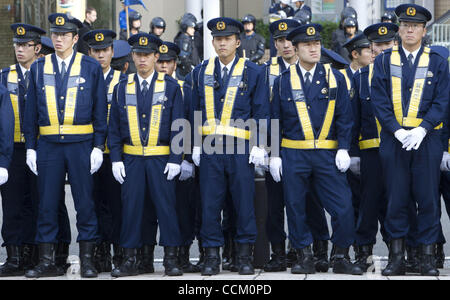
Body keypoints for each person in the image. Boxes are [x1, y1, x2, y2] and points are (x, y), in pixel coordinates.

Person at [269, 23, 363, 275]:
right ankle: (304, 255)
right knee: (296, 207)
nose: (313, 48)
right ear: (296, 49)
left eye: (316, 44)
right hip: (293, 153)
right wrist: (274, 155)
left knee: (343, 206)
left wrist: (344, 148)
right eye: (307, 45)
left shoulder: (334, 78)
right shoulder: (282, 82)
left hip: (327, 154)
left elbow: (345, 117)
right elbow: (274, 119)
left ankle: (341, 255)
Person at [23, 13, 107, 278]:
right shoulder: (39, 67)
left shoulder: (90, 67)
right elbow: (30, 113)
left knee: (85, 204)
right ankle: (47, 261)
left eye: (64, 35)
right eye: (55, 34)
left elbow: (99, 110)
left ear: (74, 38)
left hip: (81, 145)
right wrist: (31, 148)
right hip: (48, 146)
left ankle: (88, 261)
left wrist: (97, 146)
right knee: (47, 204)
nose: (58, 39)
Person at [370, 4, 449, 276]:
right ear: (399, 29)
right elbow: (379, 101)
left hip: (427, 140)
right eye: (405, 25)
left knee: (428, 199)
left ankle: (426, 258)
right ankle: (397, 256)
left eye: (415, 26)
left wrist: (423, 128)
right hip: (395, 140)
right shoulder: (383, 61)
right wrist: (397, 130)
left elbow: (442, 101)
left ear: (424, 30)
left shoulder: (438, 61)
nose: (410, 29)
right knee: (396, 198)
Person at [190, 17, 269, 276]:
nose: (222, 43)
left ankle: (244, 256)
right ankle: (212, 256)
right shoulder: (201, 71)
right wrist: (193, 144)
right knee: (210, 204)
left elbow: (261, 110)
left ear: (238, 42)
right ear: (212, 42)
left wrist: (260, 145)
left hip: (240, 149)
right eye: (217, 39)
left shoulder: (254, 71)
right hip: (210, 149)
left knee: (243, 204)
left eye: (227, 39)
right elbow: (194, 110)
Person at [108, 33, 185, 277]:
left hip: (161, 158)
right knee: (131, 209)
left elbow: (179, 125)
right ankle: (131, 259)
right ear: (132, 57)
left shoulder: (170, 86)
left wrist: (176, 159)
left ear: (155, 57)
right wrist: (116, 158)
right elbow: (114, 128)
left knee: (166, 209)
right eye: (139, 55)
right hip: (131, 159)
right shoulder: (122, 87)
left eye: (147, 55)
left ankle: (171, 259)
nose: (143, 59)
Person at [0, 23, 73, 276]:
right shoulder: (4, 75)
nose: (20, 49)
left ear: (37, 48)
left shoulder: (47, 73)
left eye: (25, 45)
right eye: (17, 45)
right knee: (13, 203)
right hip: (13, 150)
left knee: (49, 202)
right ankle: (15, 256)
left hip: (43, 146)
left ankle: (55, 254)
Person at [347, 24, 398, 272]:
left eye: (386, 44)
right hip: (369, 153)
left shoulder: (403, 76)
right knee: (367, 205)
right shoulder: (358, 78)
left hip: (399, 152)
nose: (380, 49)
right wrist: (352, 154)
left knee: (398, 204)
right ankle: (363, 253)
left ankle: (400, 253)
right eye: (376, 45)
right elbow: (352, 120)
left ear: (394, 45)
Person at [83, 29, 128, 273]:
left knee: (117, 205)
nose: (100, 55)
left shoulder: (122, 80)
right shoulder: (82, 79)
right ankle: (99, 253)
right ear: (89, 53)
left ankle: (119, 252)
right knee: (93, 204)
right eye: (96, 51)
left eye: (105, 51)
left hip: (114, 154)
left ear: (112, 52)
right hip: (88, 151)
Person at [263, 18, 302, 273]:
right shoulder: (264, 71)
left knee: (304, 203)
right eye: (280, 40)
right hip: (273, 145)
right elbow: (261, 111)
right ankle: (278, 252)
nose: (285, 44)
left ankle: (303, 250)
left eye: (289, 39)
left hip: (305, 145)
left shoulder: (314, 68)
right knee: (274, 205)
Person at [174, 13, 200, 80]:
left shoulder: (187, 38)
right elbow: (183, 57)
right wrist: (191, 69)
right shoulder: (184, 39)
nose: (193, 30)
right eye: (191, 28)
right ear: (185, 27)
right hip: (185, 74)